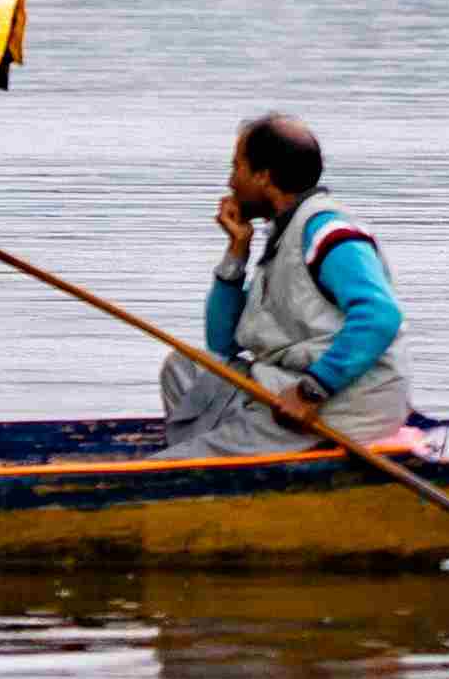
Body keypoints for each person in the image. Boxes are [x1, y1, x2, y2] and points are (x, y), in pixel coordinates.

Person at [169, 110, 415, 451]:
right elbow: (221, 343)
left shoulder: (329, 232)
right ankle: (226, 447)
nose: (230, 182)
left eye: (236, 167)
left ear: (264, 177)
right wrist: (237, 251)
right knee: (183, 367)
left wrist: (310, 391)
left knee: (184, 462)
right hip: (285, 381)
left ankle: (207, 455)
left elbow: (380, 316)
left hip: (344, 400)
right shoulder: (283, 233)